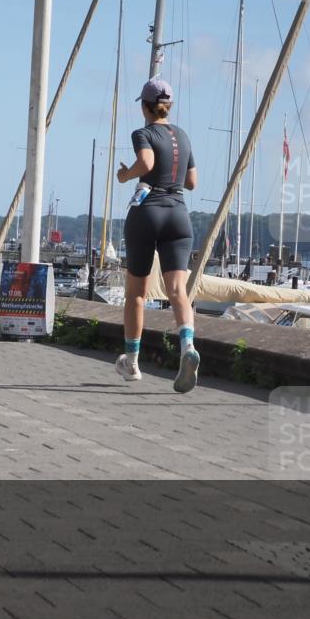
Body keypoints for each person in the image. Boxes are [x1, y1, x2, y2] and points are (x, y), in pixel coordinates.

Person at [116, 78, 200, 392]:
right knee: (178, 291)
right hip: (179, 215)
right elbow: (192, 182)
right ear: (169, 106)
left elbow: (147, 162)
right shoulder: (183, 135)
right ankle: (188, 348)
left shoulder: (144, 132)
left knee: (136, 293)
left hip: (148, 211)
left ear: (144, 106)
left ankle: (132, 363)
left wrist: (126, 175)